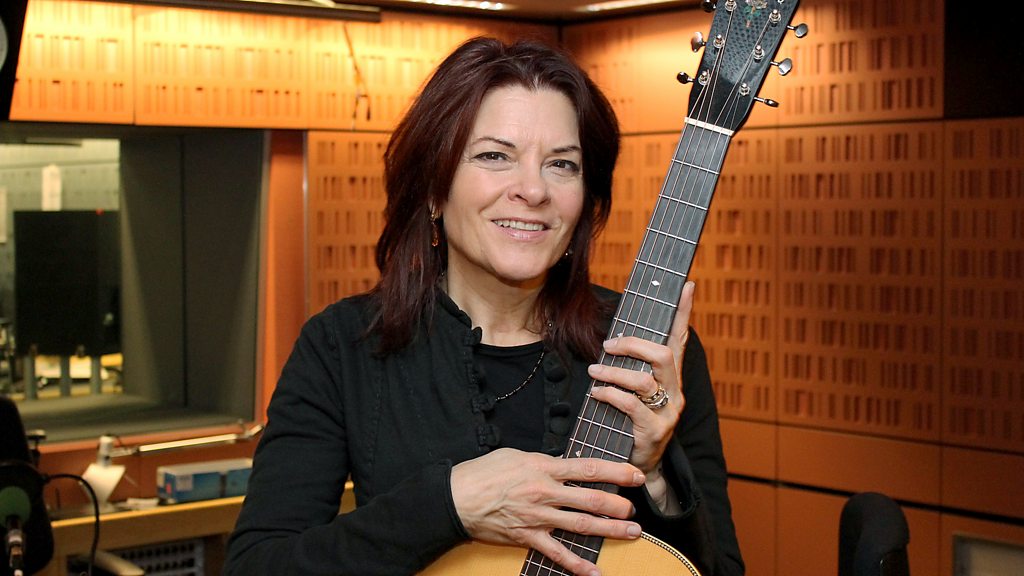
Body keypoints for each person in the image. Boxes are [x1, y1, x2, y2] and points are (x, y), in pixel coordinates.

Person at [225, 36, 743, 576]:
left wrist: (656, 474)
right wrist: (448, 505)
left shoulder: (645, 351)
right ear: (433, 188)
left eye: (562, 164)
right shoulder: (343, 345)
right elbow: (256, 566)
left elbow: (722, 569)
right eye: (495, 156)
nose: (533, 190)